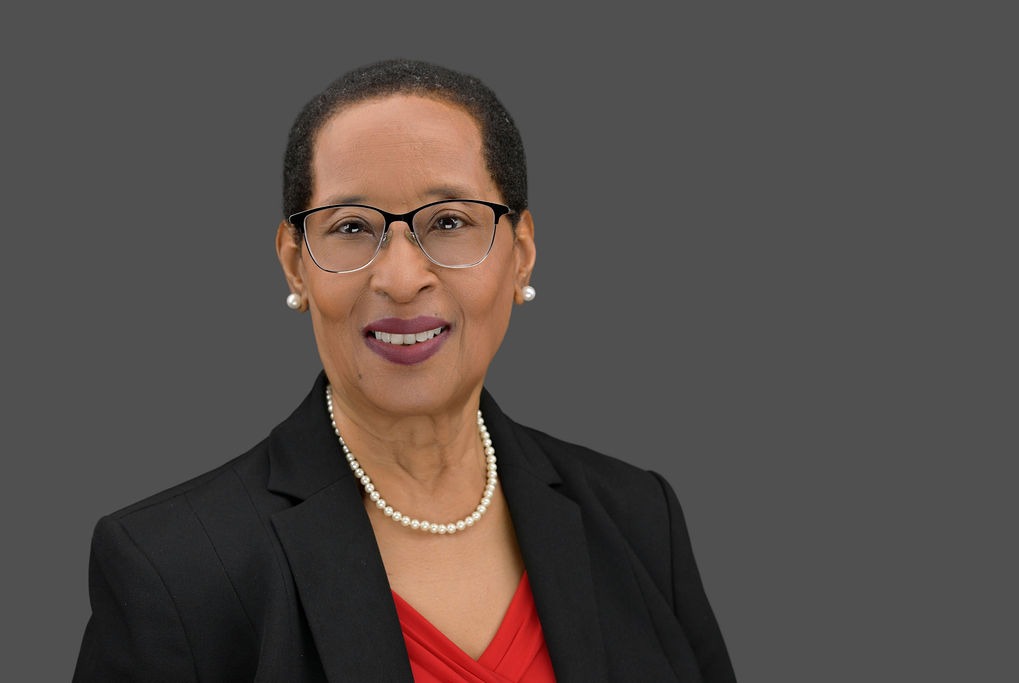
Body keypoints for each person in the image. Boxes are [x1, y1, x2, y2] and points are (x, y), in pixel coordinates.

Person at [73, 59, 736, 682]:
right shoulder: (171, 568)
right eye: (352, 227)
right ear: (295, 262)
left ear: (523, 254)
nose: (400, 278)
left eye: (449, 221)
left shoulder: (640, 520)